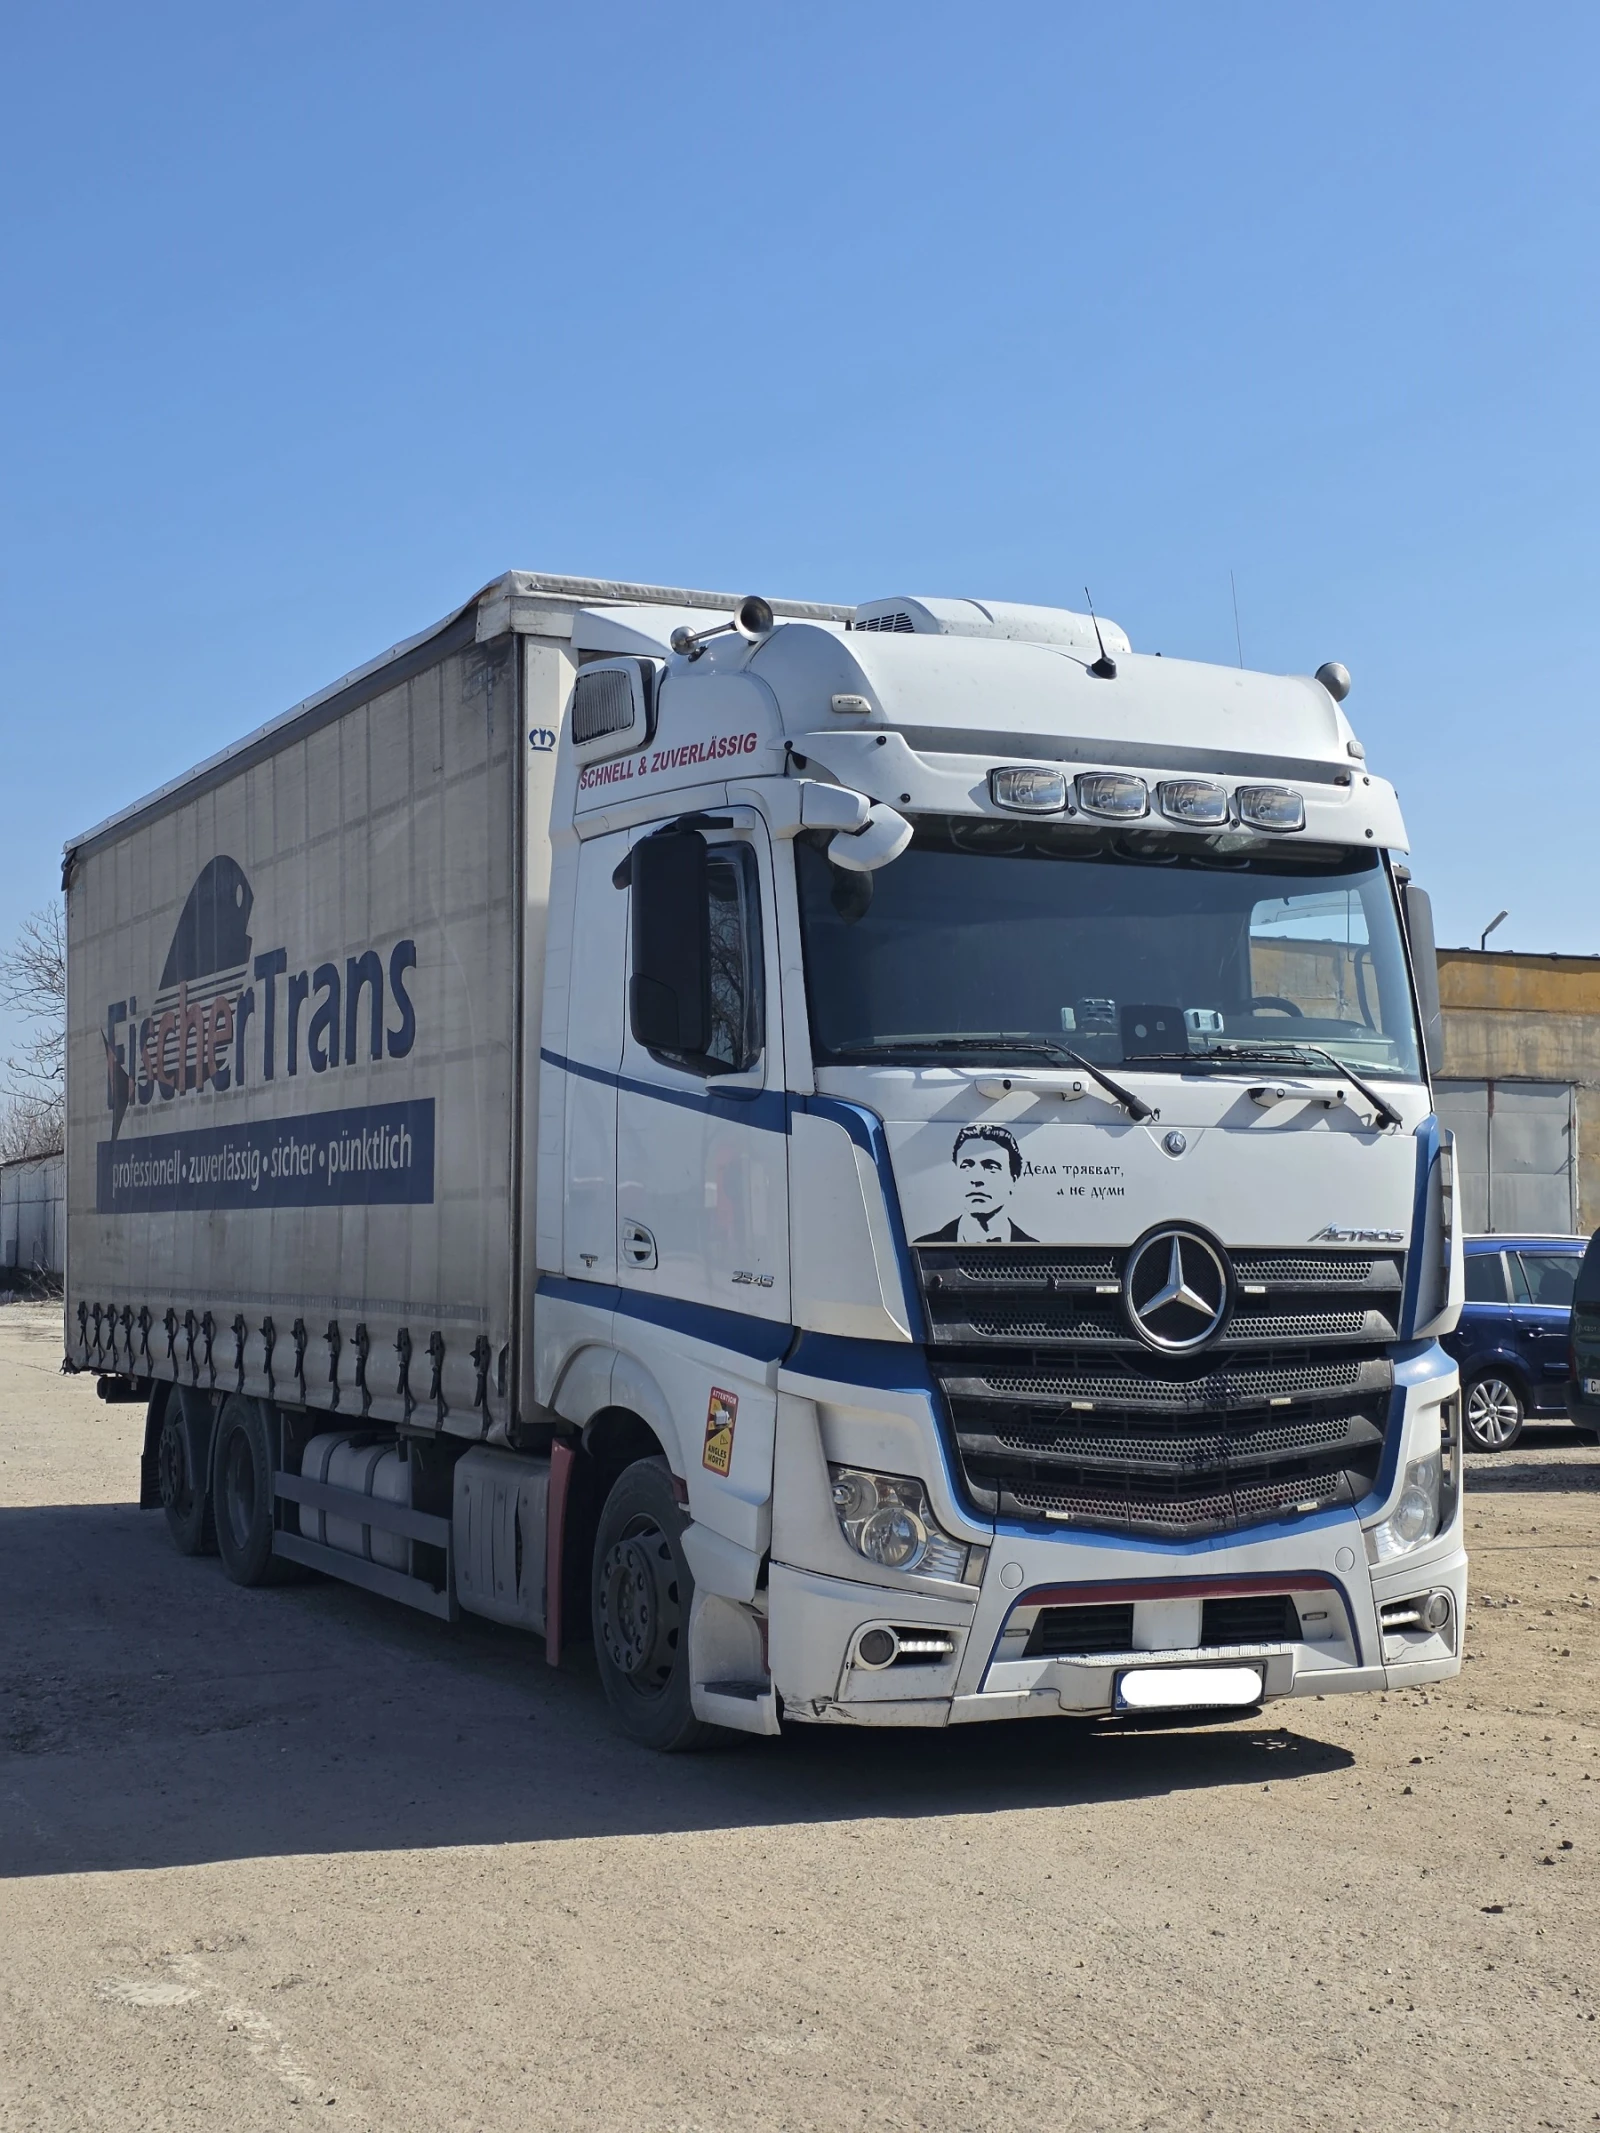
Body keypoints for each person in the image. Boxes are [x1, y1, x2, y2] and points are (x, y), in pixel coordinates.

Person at [917, 1124, 1035, 1243]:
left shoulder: (1035, 1250)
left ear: (1013, 1180)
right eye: (967, 1166)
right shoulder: (926, 1244)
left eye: (991, 1167)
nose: (976, 1179)